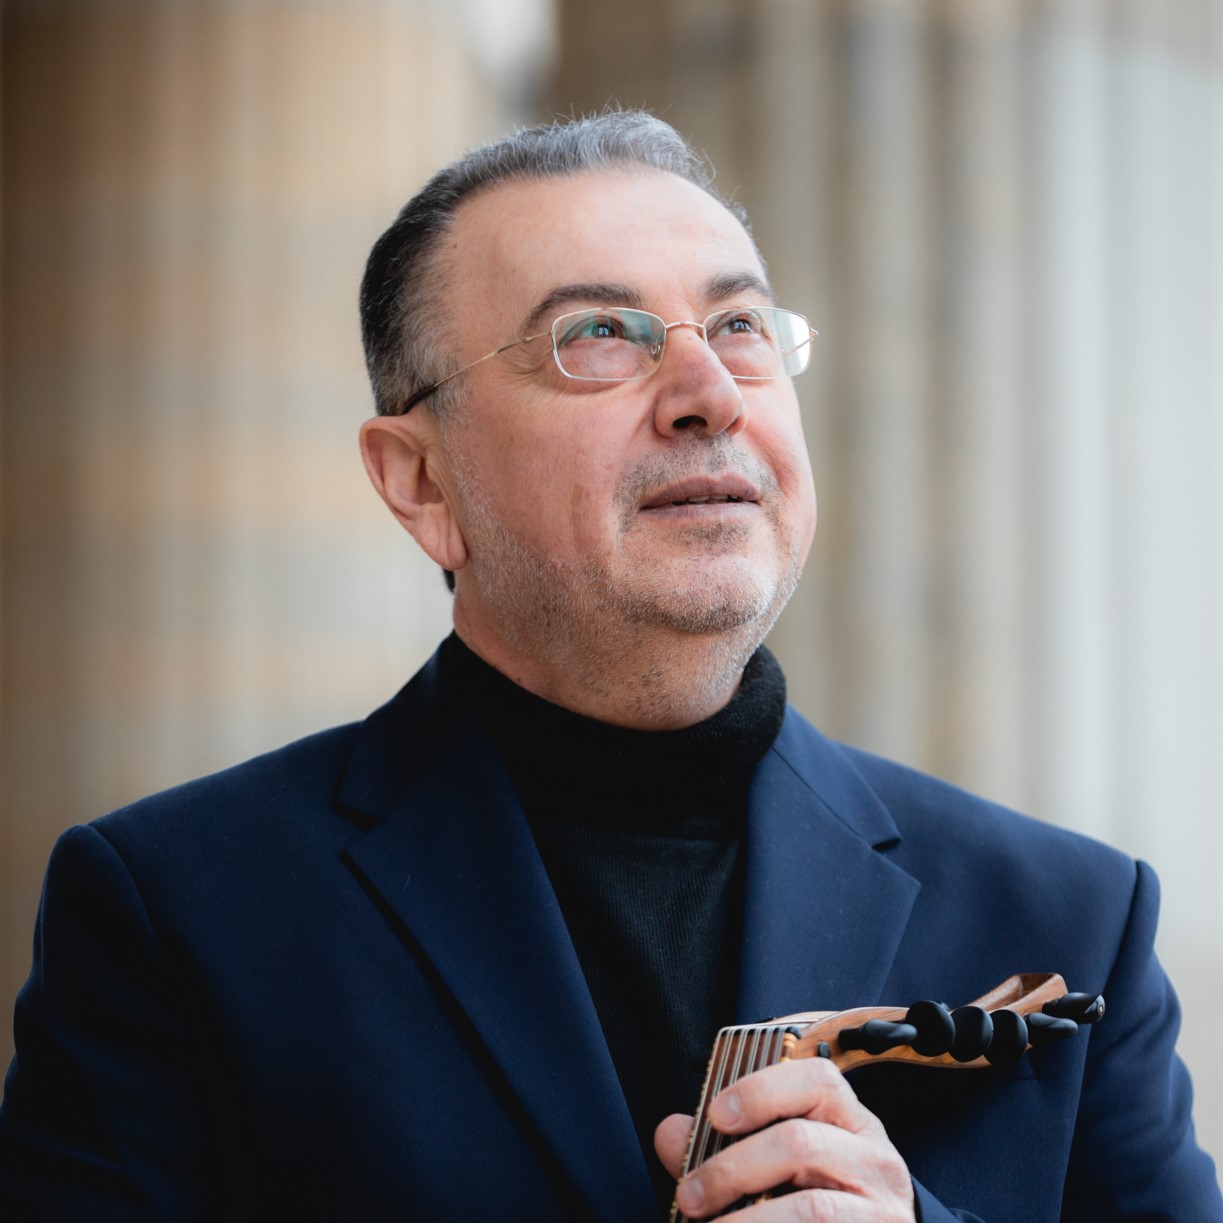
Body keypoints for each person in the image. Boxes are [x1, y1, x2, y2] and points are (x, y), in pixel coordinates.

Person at [1, 110, 1219, 1223]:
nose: (708, 394)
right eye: (596, 335)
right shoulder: (179, 911)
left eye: (738, 328)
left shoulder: (1070, 914)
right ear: (419, 480)